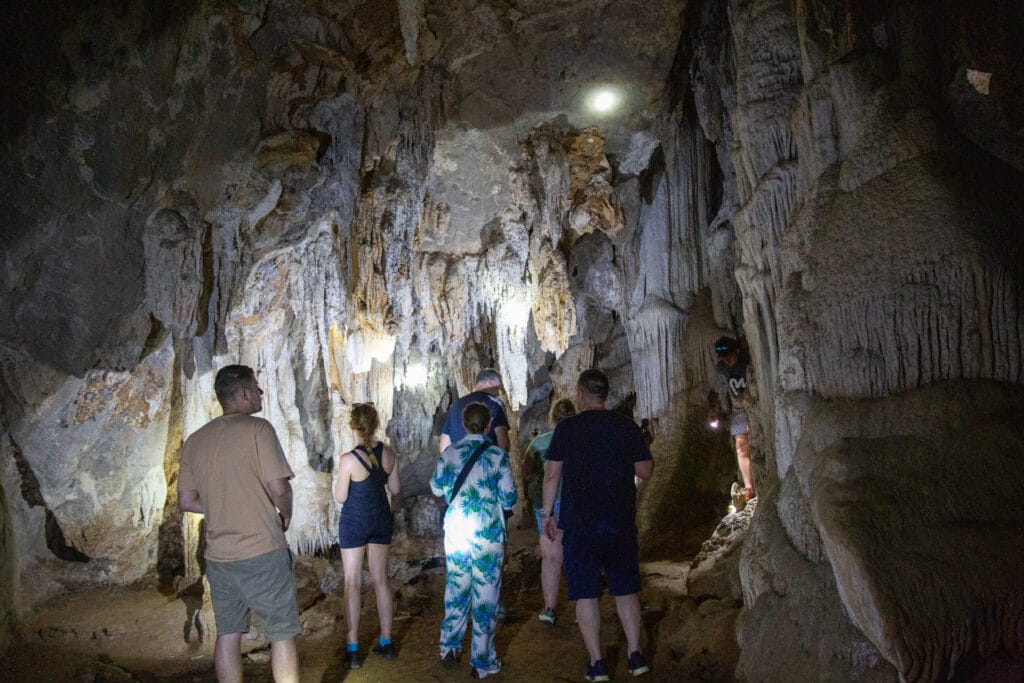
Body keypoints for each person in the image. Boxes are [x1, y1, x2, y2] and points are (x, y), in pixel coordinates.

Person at [177, 365, 299, 683]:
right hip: (262, 551)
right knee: (282, 634)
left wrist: (223, 507)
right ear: (244, 393)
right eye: (256, 387)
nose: (261, 392)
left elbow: (186, 500)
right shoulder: (259, 429)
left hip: (220, 558)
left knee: (228, 634)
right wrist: (286, 514)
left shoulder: (195, 440)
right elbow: (280, 489)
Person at [542, 369, 654, 682]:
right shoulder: (626, 426)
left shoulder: (567, 428)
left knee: (586, 595)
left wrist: (548, 514)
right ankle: (635, 655)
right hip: (619, 522)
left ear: (580, 394)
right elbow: (645, 471)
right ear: (605, 394)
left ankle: (597, 663)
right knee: (625, 590)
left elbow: (551, 474)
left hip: (580, 525)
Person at [431, 402, 518, 679]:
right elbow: (509, 498)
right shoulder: (497, 456)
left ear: (464, 424)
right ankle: (481, 661)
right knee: (486, 595)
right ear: (488, 425)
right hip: (487, 533)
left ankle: (449, 646)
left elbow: (436, 487)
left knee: (457, 588)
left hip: (457, 531)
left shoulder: (450, 453)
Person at [333, 402, 401, 669]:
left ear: (353, 426)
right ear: (376, 425)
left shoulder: (348, 460)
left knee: (352, 583)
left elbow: (341, 497)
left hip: (355, 522)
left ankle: (353, 649)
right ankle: (387, 642)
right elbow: (395, 489)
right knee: (381, 581)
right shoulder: (390, 453)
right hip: (380, 520)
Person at [522, 397, 577, 624]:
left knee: (551, 556)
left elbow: (527, 471)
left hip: (548, 503)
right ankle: (583, 607)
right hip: (576, 502)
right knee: (577, 554)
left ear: (552, 418)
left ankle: (549, 609)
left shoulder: (539, 442)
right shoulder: (583, 440)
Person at [707, 335, 754, 510]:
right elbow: (713, 390)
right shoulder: (722, 368)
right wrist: (713, 409)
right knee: (740, 445)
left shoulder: (747, 359)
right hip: (739, 410)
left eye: (730, 356)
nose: (728, 360)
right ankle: (749, 487)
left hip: (756, 404)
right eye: (724, 358)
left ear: (737, 351)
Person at [439, 368, 511, 453]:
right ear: (491, 382)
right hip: (486, 458)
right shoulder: (495, 403)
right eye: (500, 384)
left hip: (458, 458)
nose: (500, 388)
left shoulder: (455, 405)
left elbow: (444, 446)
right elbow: (503, 443)